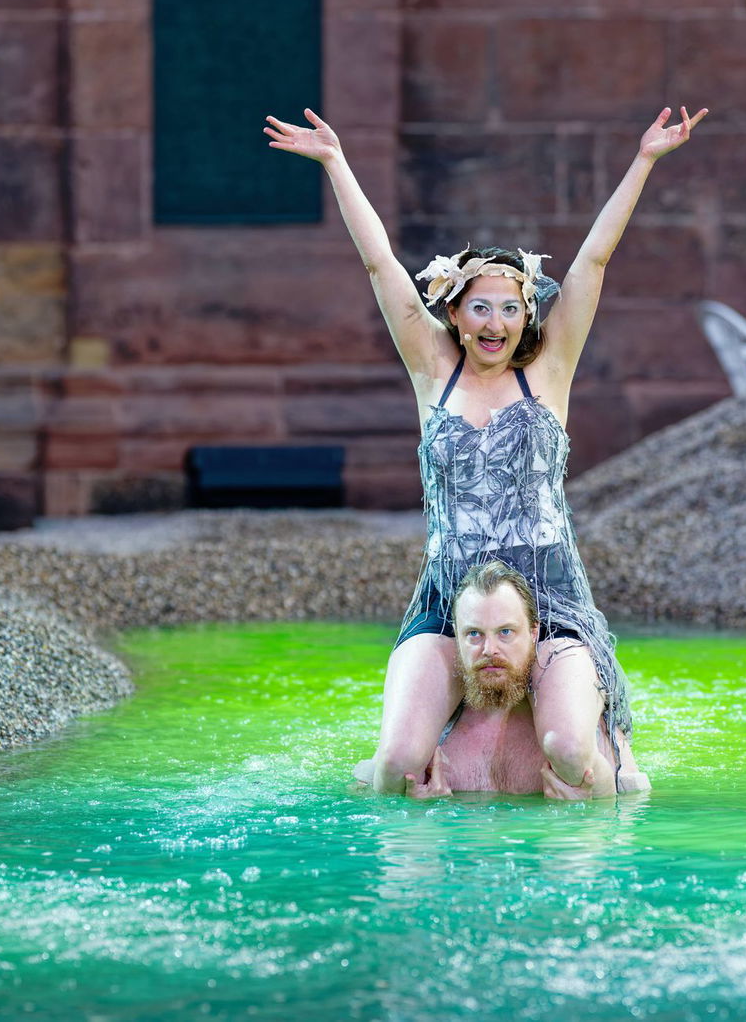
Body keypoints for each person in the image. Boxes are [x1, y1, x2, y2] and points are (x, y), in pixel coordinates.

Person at [265, 103, 708, 796]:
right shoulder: (433, 377)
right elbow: (381, 267)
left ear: (528, 314)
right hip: (450, 599)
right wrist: (335, 163)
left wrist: (644, 160)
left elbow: (593, 259)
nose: (495, 321)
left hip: (549, 598)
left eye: (510, 307)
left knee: (571, 754)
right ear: (455, 315)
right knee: (394, 770)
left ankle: (608, 748)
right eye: (480, 306)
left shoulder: (548, 375)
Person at [352, 561, 649, 798]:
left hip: (553, 571)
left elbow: (634, 821)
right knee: (397, 761)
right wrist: (423, 819)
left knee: (568, 748)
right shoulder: (424, 734)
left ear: (534, 633)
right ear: (456, 637)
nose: (489, 650)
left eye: (505, 632)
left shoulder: (575, 720)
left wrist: (588, 813)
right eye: (474, 634)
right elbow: (363, 808)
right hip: (443, 568)